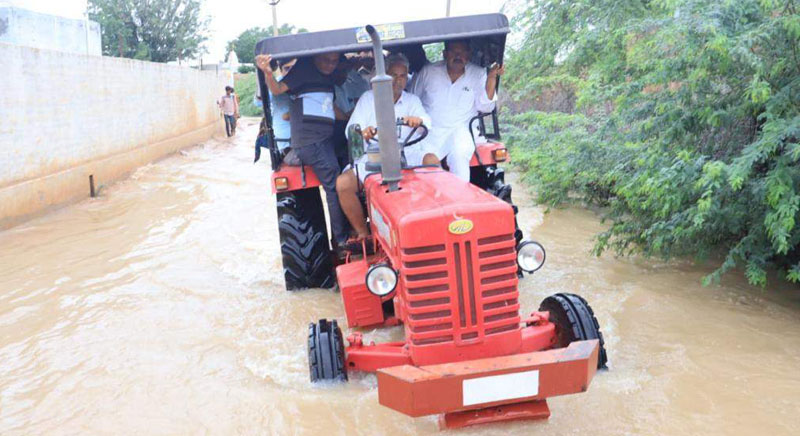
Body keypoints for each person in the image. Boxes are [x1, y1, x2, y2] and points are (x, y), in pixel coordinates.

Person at [336, 53, 437, 241]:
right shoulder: (368, 99)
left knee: (432, 161)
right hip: (374, 155)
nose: (397, 81)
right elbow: (350, 131)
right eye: (393, 75)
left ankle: (431, 219)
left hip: (407, 153)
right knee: (343, 184)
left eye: (402, 76)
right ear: (384, 76)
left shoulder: (412, 101)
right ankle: (363, 233)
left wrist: (418, 120)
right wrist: (362, 133)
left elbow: (427, 122)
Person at [255, 51, 350, 246]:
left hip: (325, 140)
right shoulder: (303, 70)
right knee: (334, 186)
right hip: (311, 142)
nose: (330, 65)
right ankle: (342, 241)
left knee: (348, 166)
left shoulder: (326, 80)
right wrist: (267, 72)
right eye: (326, 60)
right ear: (315, 58)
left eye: (334, 61)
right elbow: (277, 89)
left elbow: (330, 108)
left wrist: (353, 118)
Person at [409, 39, 504, 181]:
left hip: (461, 130)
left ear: (469, 55)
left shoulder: (478, 74)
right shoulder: (428, 72)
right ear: (445, 54)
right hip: (430, 133)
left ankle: (461, 198)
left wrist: (491, 78)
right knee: (427, 165)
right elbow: (412, 100)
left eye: (462, 52)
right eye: (454, 52)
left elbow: (486, 107)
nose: (458, 56)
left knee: (459, 155)